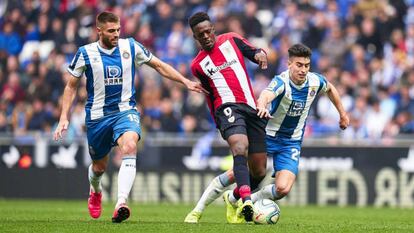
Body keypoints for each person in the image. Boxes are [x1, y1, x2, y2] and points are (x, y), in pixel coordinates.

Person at [53, 11, 206, 223]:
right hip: (97, 118)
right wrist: (64, 117)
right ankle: (95, 191)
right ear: (99, 31)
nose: (116, 34)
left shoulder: (131, 47)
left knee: (130, 146)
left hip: (125, 111)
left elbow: (159, 65)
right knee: (99, 168)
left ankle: (121, 203)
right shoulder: (85, 53)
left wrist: (185, 81)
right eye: (111, 31)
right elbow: (71, 86)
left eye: (118, 30)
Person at [185, 43, 350, 223]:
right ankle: (198, 209)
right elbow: (265, 95)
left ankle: (234, 199)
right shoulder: (281, 82)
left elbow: (331, 88)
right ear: (289, 64)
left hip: (291, 142)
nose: (303, 70)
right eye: (299, 65)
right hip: (267, 136)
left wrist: (342, 114)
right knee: (237, 173)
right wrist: (262, 106)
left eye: (306, 65)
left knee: (283, 189)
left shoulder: (315, 81)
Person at [184, 12, 269, 223]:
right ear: (195, 38)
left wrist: (260, 54)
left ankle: (232, 198)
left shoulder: (231, 39)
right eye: (200, 34)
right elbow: (209, 97)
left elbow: (254, 50)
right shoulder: (198, 65)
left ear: (213, 29)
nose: (205, 36)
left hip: (251, 108)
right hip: (227, 109)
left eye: (207, 31)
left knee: (259, 170)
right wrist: (219, 123)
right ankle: (247, 201)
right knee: (240, 147)